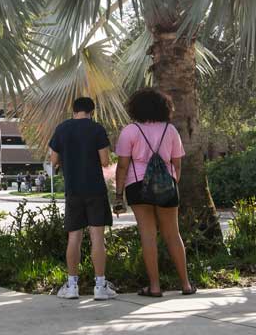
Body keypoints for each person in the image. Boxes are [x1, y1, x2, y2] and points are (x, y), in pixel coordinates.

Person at [114, 87, 195, 297]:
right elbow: (177, 164)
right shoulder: (171, 131)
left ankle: (155, 287)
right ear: (164, 108)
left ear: (136, 108)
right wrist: (171, 183)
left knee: (148, 236)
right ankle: (186, 284)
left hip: (137, 186)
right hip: (167, 186)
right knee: (173, 234)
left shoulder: (130, 131)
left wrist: (118, 194)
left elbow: (122, 166)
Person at [49, 97, 116, 301]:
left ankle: (72, 286)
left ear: (74, 110)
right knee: (97, 237)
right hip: (95, 189)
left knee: (74, 238)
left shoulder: (62, 129)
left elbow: (53, 160)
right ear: (92, 112)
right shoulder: (97, 129)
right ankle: (100, 286)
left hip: (73, 190)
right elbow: (105, 161)